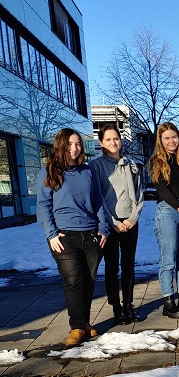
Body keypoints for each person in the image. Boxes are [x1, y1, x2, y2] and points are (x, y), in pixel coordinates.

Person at [36, 128, 109, 346]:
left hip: (91, 235)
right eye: (69, 144)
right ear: (61, 145)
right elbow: (43, 206)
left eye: (77, 144)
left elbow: (98, 202)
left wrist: (103, 228)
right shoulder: (49, 171)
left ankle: (85, 323)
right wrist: (51, 234)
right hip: (64, 236)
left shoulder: (88, 171)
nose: (74, 148)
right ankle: (76, 327)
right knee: (74, 280)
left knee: (88, 281)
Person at [90, 124, 144, 325]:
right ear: (102, 143)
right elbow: (98, 198)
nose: (113, 142)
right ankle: (116, 308)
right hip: (109, 224)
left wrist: (132, 218)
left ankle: (129, 304)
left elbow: (139, 194)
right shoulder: (97, 166)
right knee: (112, 267)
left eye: (116, 138)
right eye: (109, 139)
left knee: (128, 266)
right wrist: (112, 223)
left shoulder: (130, 164)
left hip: (130, 222)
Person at [150, 122, 179, 318]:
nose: (171, 141)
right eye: (167, 138)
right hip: (167, 211)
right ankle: (168, 301)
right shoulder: (157, 161)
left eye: (174, 137)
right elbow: (162, 189)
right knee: (168, 259)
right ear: (161, 141)